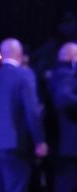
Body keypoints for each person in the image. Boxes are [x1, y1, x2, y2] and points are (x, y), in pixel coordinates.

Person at [0, 38, 47, 192]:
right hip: (14, 145)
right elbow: (31, 110)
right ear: (20, 54)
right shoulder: (24, 75)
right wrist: (40, 141)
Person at [48, 41, 77, 192]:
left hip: (63, 143)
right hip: (69, 145)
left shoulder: (56, 75)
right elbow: (64, 99)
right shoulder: (65, 75)